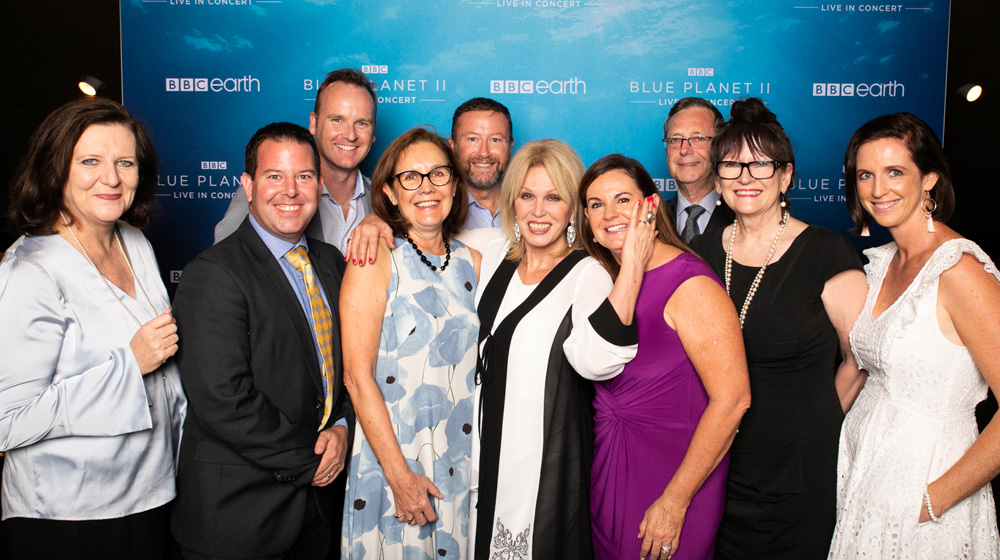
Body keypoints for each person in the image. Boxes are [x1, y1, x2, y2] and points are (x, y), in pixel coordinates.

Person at [0, 98, 185, 559]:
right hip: (70, 517)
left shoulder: (134, 241)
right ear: (56, 168)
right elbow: (7, 421)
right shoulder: (31, 270)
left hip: (152, 494)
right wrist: (129, 365)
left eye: (125, 162)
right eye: (90, 161)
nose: (111, 178)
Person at [688, 98, 867, 559]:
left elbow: (860, 360)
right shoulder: (702, 253)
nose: (745, 177)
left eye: (761, 164)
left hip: (797, 471)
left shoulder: (826, 252)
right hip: (719, 464)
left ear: (786, 176)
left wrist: (814, 423)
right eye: (731, 165)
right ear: (717, 179)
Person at [171, 123, 353, 560]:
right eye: (275, 176)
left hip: (317, 515)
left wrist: (344, 429)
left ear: (319, 184)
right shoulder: (213, 273)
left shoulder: (331, 262)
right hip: (239, 518)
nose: (290, 190)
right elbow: (223, 400)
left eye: (304, 176)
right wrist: (314, 457)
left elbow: (350, 366)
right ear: (249, 186)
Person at [828, 113, 1000, 559]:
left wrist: (930, 502)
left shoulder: (959, 271)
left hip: (924, 498)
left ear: (929, 180)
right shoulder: (882, 262)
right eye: (865, 175)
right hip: (864, 483)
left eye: (895, 172)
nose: (877, 189)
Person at [469, 139, 641, 560]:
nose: (538, 211)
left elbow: (598, 362)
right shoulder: (494, 253)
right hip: (481, 453)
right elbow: (424, 234)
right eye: (527, 196)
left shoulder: (588, 274)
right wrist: (375, 225)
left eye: (553, 198)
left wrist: (633, 265)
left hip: (544, 461)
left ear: (572, 208)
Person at [580, 154, 751, 560]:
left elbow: (733, 401)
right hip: (610, 473)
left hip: (672, 485)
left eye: (623, 200)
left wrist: (674, 501)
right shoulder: (602, 281)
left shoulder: (689, 283)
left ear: (651, 206)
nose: (609, 214)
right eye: (596, 204)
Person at [339, 127, 479, 558]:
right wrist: (400, 478)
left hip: (460, 459)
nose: (426, 187)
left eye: (438, 174)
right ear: (390, 192)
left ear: (454, 184)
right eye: (410, 177)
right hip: (393, 462)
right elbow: (356, 377)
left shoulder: (474, 262)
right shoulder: (375, 258)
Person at [214, 68, 377, 252]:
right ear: (314, 123)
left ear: (373, 132)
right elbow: (224, 259)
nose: (350, 135)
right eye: (337, 120)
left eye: (362, 123)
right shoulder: (266, 192)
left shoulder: (384, 200)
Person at [663, 98, 735, 243]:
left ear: (719, 147)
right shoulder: (652, 219)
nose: (684, 150)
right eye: (675, 140)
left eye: (698, 138)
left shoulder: (742, 217)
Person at [449, 97, 514, 229]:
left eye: (495, 140)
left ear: (510, 146)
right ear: (452, 145)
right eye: (473, 139)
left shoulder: (530, 207)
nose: (484, 153)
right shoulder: (437, 210)